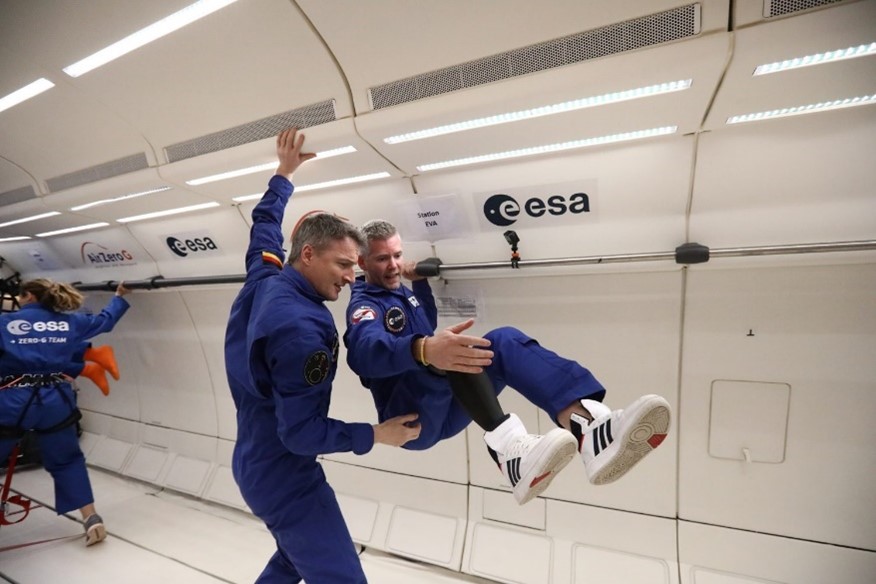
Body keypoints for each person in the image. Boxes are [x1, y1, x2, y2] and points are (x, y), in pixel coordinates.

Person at [344, 220, 672, 504]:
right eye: (382, 258)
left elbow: (424, 319)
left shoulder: (401, 289)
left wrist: (419, 281)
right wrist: (425, 350)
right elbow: (365, 353)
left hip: (449, 403)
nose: (393, 265)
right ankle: (511, 449)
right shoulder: (364, 306)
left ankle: (590, 430)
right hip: (411, 420)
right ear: (361, 261)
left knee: (502, 341)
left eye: (398, 255)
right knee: (454, 355)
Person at [223, 129, 420, 584]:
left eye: (355, 265)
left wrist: (283, 174)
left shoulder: (265, 273)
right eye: (343, 265)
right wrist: (377, 434)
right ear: (307, 255)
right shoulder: (302, 331)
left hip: (255, 458)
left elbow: (264, 224)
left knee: (292, 562)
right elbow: (301, 434)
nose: (353, 277)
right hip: (284, 476)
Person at [0, 278, 131, 545]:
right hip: (56, 399)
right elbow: (105, 321)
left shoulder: (4, 323)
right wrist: (119, 295)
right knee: (67, 459)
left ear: (28, 297)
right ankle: (91, 517)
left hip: (13, 400)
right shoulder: (69, 322)